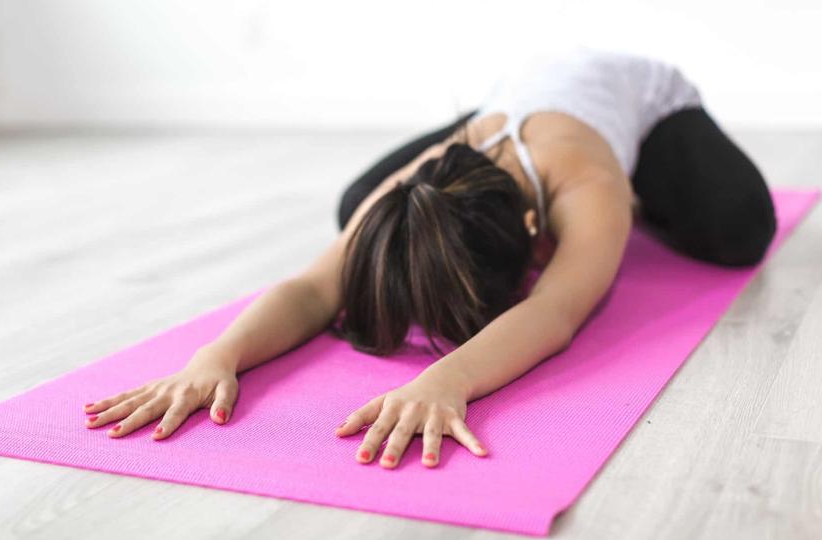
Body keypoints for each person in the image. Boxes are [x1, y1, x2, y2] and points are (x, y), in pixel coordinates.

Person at [81, 47, 777, 470]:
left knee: (744, 229)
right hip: (510, 104)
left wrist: (447, 380)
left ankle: (649, 194)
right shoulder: (422, 179)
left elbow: (557, 311)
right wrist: (215, 357)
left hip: (641, 105)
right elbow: (312, 288)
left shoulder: (588, 186)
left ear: (539, 236)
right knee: (362, 208)